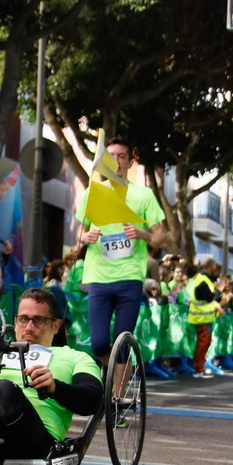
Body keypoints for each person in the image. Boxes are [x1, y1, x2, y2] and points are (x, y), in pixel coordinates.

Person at [0, 287, 103, 452]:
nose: (29, 327)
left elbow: (92, 399)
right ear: (15, 322)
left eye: (38, 320)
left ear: (55, 325)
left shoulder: (75, 357)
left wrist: (55, 387)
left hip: (34, 436)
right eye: (23, 319)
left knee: (5, 388)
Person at [75, 139, 169, 363]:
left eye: (122, 156)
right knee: (98, 344)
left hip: (130, 277)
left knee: (122, 343)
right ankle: (113, 376)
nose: (116, 161)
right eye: (111, 156)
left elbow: (161, 237)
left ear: (129, 162)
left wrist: (142, 234)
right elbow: (79, 233)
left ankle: (118, 384)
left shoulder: (144, 195)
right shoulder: (93, 193)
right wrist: (85, 238)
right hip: (98, 277)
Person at [187, 259, 221, 377]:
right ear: (212, 266)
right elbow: (209, 297)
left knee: (205, 343)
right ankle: (199, 368)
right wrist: (219, 291)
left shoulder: (204, 279)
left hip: (205, 317)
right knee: (203, 343)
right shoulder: (202, 279)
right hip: (202, 317)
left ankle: (200, 367)